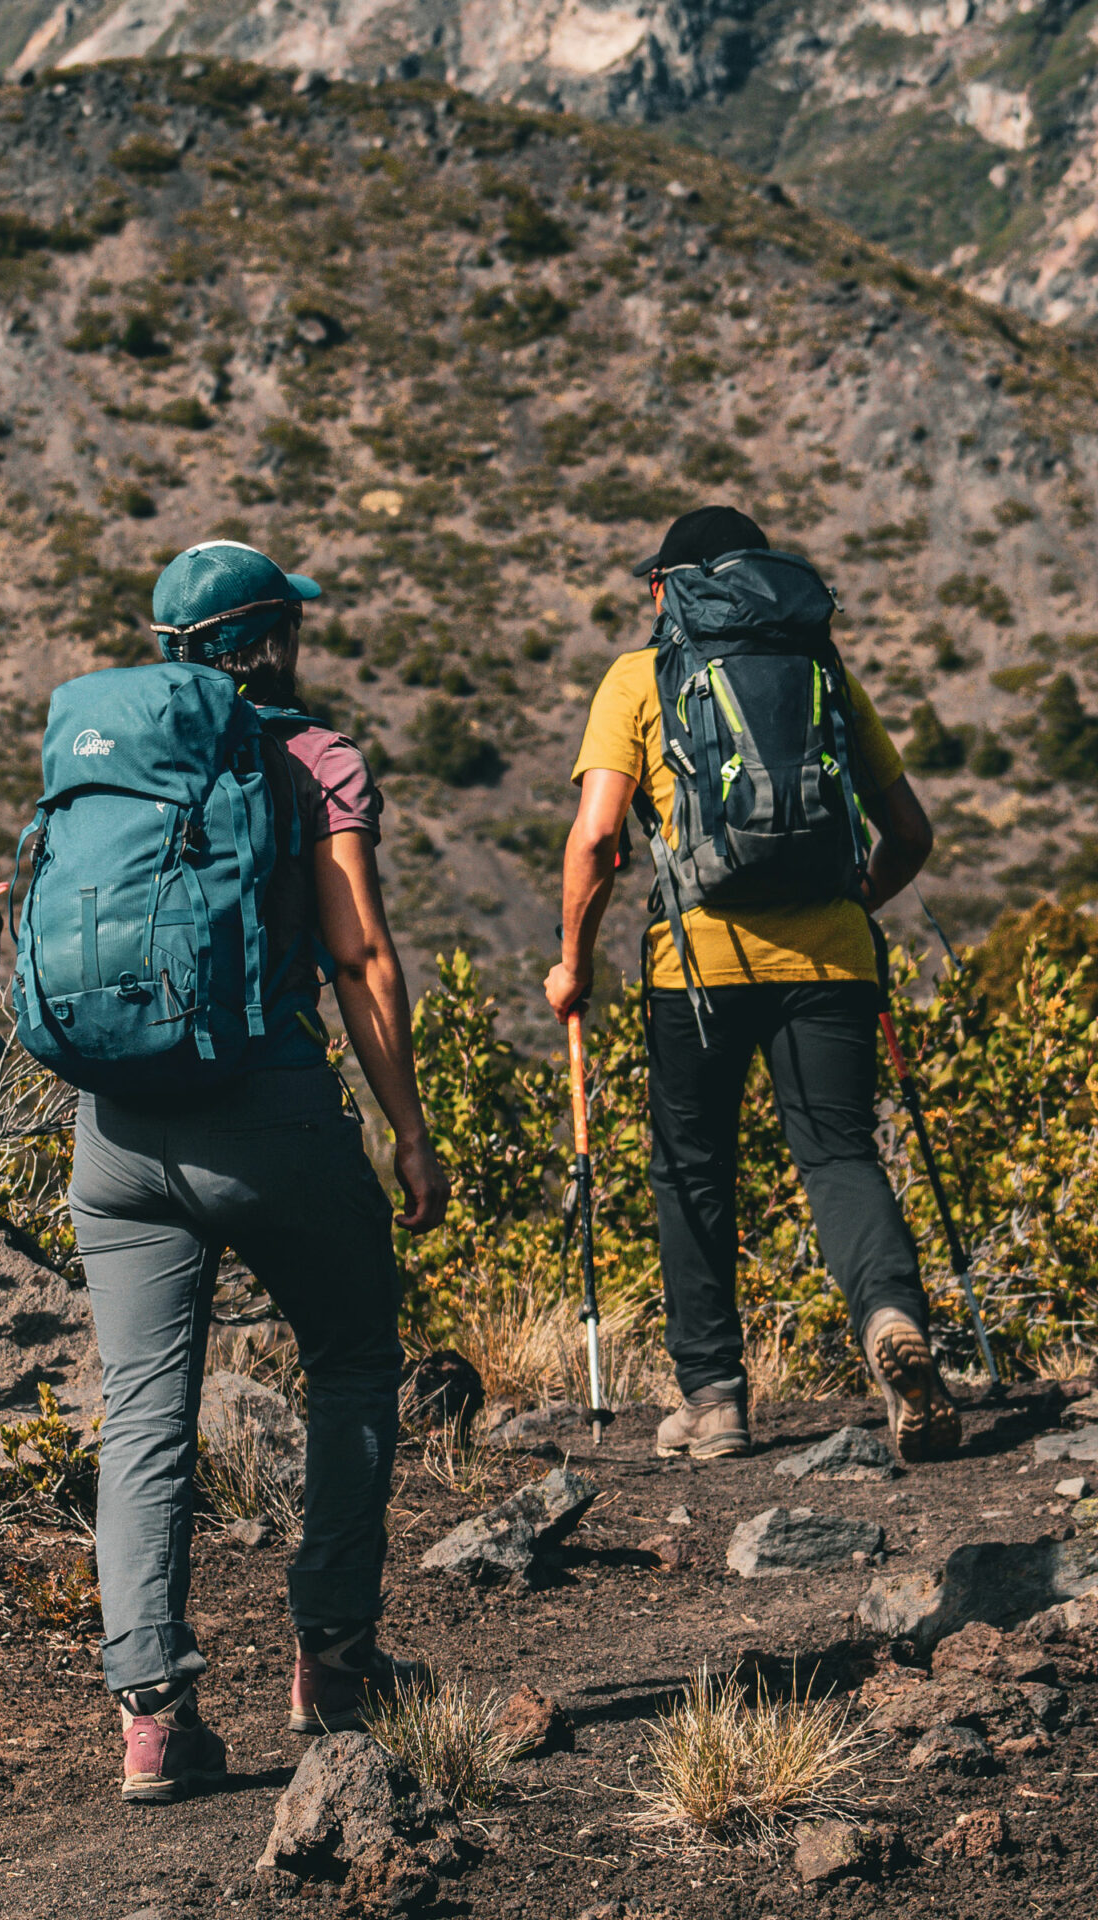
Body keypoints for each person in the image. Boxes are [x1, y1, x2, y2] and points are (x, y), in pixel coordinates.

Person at [67, 540, 451, 1806]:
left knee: (142, 1410)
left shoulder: (119, 761)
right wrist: (407, 1127)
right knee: (349, 1356)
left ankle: (153, 1720)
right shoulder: (316, 759)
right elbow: (362, 959)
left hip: (117, 1132)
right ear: (273, 639)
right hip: (270, 1118)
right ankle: (333, 1664)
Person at [544, 506, 960, 1464]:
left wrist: (574, 963)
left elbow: (598, 839)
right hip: (834, 959)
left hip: (697, 968)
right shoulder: (823, 674)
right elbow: (913, 835)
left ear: (670, 588)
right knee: (838, 1153)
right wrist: (852, 899)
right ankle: (893, 1319)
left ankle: (716, 1401)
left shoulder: (638, 679)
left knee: (692, 1170)